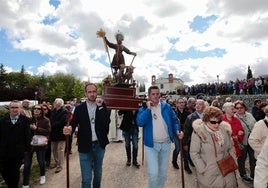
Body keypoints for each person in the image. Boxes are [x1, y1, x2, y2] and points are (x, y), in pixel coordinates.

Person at [63, 83, 110, 188]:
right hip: (85, 145)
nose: (92, 94)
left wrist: (101, 108)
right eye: (89, 92)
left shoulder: (102, 105)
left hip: (99, 145)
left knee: (97, 175)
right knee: (86, 178)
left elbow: (106, 122)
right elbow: (73, 123)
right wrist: (69, 128)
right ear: (86, 93)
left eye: (94, 91)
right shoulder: (80, 108)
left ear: (96, 92)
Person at [136, 85, 183, 188]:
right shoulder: (144, 109)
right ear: (148, 95)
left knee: (162, 173)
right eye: (153, 94)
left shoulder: (167, 107)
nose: (156, 96)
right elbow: (139, 122)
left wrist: (177, 131)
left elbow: (174, 121)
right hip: (151, 145)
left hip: (166, 144)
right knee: (153, 173)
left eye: (157, 94)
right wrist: (148, 110)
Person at [190, 106, 238, 187]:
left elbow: (231, 147)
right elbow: (194, 152)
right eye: (213, 122)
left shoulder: (224, 129)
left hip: (227, 171)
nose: (216, 124)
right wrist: (202, 168)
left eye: (219, 121)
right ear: (205, 120)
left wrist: (234, 160)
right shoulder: (199, 132)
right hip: (209, 174)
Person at [0, 100, 31, 188]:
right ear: (9, 109)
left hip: (18, 153)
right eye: (12, 107)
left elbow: (27, 136)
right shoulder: (2, 121)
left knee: (14, 174)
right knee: (5, 172)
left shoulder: (25, 121)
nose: (14, 109)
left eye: (16, 107)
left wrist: (27, 150)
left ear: (20, 108)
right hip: (4, 153)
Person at [22, 104, 51, 187]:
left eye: (38, 109)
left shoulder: (46, 120)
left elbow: (48, 132)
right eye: (34, 108)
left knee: (41, 161)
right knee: (27, 164)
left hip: (40, 144)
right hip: (29, 145)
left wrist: (36, 129)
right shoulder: (29, 120)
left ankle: (42, 175)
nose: (36, 110)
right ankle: (25, 183)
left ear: (41, 110)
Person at [221, 102, 249, 182]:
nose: (234, 110)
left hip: (237, 146)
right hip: (227, 148)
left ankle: (241, 175)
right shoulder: (221, 120)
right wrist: (231, 137)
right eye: (232, 109)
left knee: (239, 162)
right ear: (226, 110)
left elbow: (241, 131)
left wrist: (239, 136)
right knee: (229, 165)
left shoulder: (236, 119)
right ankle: (232, 181)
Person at [234, 100, 256, 180]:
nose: (239, 109)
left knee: (253, 158)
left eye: (241, 107)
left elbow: (255, 124)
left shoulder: (249, 115)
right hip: (241, 142)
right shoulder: (234, 118)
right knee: (241, 159)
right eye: (237, 108)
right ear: (235, 109)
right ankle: (243, 174)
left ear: (244, 108)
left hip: (252, 140)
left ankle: (253, 174)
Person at [183, 99, 206, 174]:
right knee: (187, 154)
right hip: (192, 141)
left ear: (204, 106)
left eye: (200, 104)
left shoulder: (207, 116)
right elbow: (186, 131)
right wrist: (185, 143)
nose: (197, 106)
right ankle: (186, 166)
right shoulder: (190, 117)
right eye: (196, 104)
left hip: (203, 141)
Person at [50, 98, 68, 173]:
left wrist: (52, 125)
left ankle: (60, 166)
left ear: (59, 104)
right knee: (54, 149)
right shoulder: (53, 111)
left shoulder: (64, 111)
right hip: (53, 134)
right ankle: (57, 162)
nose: (54, 103)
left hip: (61, 133)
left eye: (55, 102)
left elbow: (62, 122)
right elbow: (50, 120)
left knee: (60, 150)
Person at [172, 98, 188, 169]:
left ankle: (186, 165)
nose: (182, 104)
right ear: (177, 104)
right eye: (180, 102)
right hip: (176, 133)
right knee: (178, 148)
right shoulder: (174, 113)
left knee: (185, 149)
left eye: (183, 102)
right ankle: (174, 161)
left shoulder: (187, 112)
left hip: (184, 132)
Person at [42, 103, 52, 167]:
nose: (44, 110)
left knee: (48, 149)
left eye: (45, 109)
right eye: (42, 109)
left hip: (48, 135)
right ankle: (42, 161)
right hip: (40, 136)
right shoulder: (37, 117)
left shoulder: (50, 116)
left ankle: (47, 161)